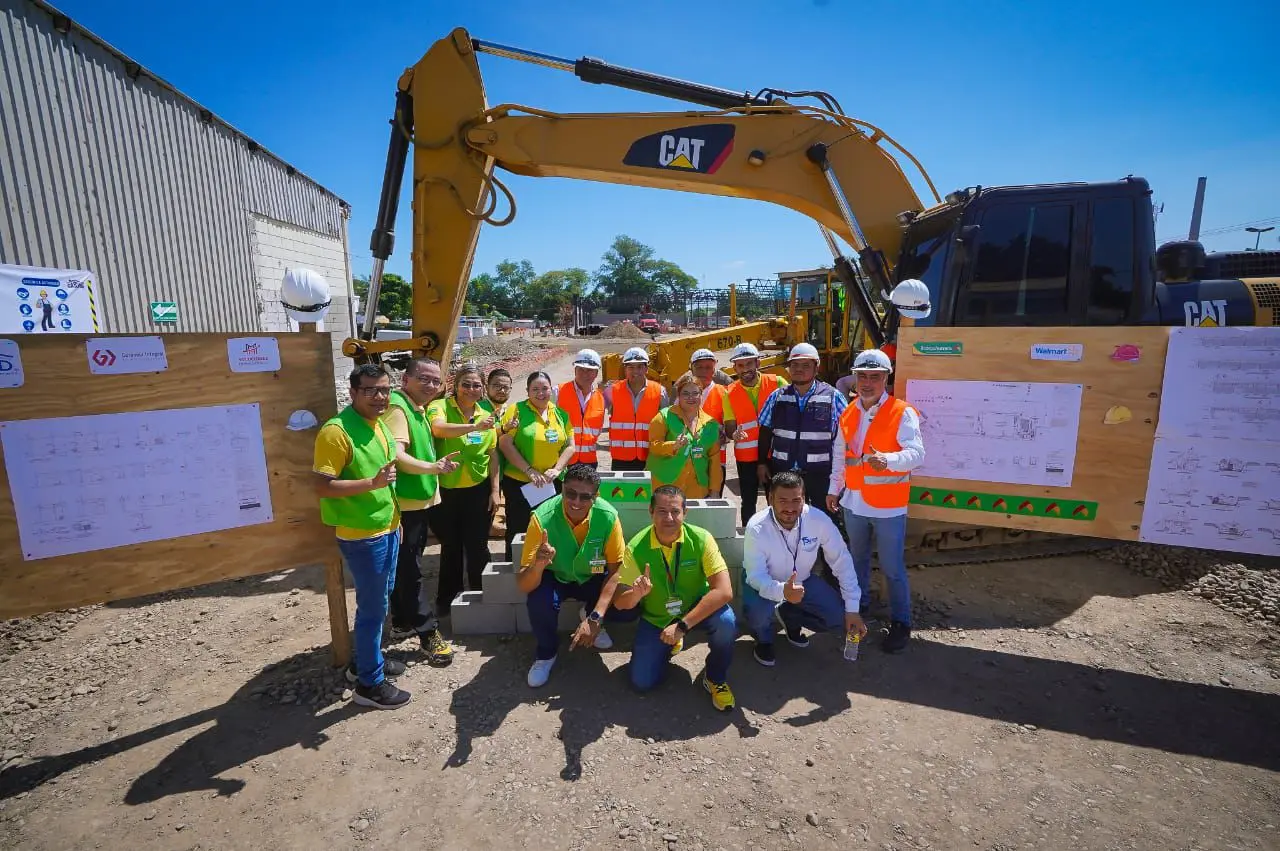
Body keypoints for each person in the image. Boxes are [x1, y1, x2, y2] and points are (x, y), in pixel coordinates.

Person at [312, 364, 410, 710]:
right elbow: (322, 486)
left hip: (387, 527)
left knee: (381, 600)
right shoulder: (336, 432)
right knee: (372, 608)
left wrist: (395, 520)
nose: (380, 397)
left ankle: (366, 662)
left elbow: (386, 479)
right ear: (353, 392)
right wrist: (372, 484)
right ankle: (369, 684)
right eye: (370, 390)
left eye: (384, 389)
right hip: (363, 536)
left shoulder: (378, 424)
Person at [826, 349, 925, 653]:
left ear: (886, 379)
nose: (867, 382)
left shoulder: (901, 412)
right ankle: (859, 608)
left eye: (875, 377)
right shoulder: (849, 412)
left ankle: (901, 622)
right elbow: (841, 457)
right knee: (856, 561)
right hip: (853, 504)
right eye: (863, 376)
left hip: (888, 507)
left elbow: (917, 454)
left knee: (892, 568)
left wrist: (889, 460)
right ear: (855, 378)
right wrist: (834, 489)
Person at [613, 485, 738, 711]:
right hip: (657, 617)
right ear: (651, 512)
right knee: (641, 683)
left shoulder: (701, 539)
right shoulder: (636, 547)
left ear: (685, 513)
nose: (669, 518)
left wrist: (682, 625)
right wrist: (636, 594)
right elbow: (620, 602)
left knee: (726, 622)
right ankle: (665, 648)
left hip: (694, 611)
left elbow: (724, 591)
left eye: (675, 511)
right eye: (661, 511)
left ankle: (715, 678)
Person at [516, 464, 638, 687]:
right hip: (555, 576)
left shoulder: (608, 517)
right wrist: (538, 566)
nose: (576, 502)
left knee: (629, 608)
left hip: (592, 576)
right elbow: (524, 584)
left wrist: (596, 617)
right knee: (539, 601)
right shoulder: (541, 518)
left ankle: (589, 613)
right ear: (562, 489)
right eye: (570, 493)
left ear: (595, 497)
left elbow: (615, 570)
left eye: (585, 497)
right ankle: (546, 654)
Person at [742, 472, 867, 667]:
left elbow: (842, 561)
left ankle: (789, 616)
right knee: (758, 613)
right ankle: (763, 639)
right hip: (765, 582)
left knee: (838, 618)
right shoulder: (757, 527)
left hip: (803, 581)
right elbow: (756, 575)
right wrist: (783, 591)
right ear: (770, 499)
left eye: (796, 500)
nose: (790, 508)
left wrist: (853, 609)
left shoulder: (818, 520)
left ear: (804, 499)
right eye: (783, 500)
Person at [382, 357, 459, 665]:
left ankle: (401, 621)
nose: (431, 385)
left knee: (403, 565)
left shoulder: (417, 408)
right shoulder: (399, 409)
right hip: (406, 504)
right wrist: (433, 467)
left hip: (416, 500)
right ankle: (428, 634)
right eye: (424, 379)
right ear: (406, 380)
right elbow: (397, 454)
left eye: (436, 381)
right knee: (411, 570)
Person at [427, 363, 500, 616]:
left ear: (483, 389)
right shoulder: (440, 406)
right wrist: (473, 427)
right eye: (465, 384)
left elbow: (493, 454)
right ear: (455, 386)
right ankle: (447, 599)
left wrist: (495, 490)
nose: (471, 389)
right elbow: (438, 428)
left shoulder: (485, 413)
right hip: (446, 490)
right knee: (451, 546)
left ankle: (482, 594)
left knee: (478, 545)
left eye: (476, 385)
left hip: (477, 490)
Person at [757, 342, 847, 518]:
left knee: (823, 519)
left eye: (806, 365)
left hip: (820, 474)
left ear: (816, 368)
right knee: (785, 518)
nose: (799, 369)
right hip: (784, 472)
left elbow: (845, 437)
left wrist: (840, 477)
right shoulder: (777, 397)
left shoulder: (833, 397)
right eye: (795, 365)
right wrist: (762, 463)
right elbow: (765, 431)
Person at [703, 342, 788, 526]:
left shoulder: (778, 383)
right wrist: (734, 435)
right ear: (734, 368)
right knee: (748, 501)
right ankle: (749, 537)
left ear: (758, 363)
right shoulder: (729, 393)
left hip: (774, 454)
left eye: (749, 363)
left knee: (778, 500)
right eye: (740, 365)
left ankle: (778, 535)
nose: (745, 369)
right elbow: (729, 426)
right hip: (747, 458)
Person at [497, 371, 576, 561]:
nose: (540, 393)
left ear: (551, 390)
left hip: (550, 484)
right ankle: (517, 567)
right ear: (527, 391)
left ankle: (546, 569)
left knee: (548, 529)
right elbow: (505, 443)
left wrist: (557, 469)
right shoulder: (517, 410)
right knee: (519, 530)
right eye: (535, 389)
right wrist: (529, 470)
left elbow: (570, 446)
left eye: (545, 388)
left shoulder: (560, 414)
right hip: (520, 484)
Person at [646, 373, 723, 499]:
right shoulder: (663, 417)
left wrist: (715, 490)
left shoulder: (710, 424)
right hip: (666, 488)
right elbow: (653, 446)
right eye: (685, 393)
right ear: (679, 396)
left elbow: (714, 460)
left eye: (695, 393)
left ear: (701, 394)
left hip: (697, 490)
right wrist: (673, 446)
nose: (691, 397)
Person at [604, 346, 668, 472]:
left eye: (639, 367)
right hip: (621, 459)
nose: (635, 371)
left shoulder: (660, 392)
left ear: (646, 368)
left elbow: (667, 424)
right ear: (625, 369)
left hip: (650, 457)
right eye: (631, 367)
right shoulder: (612, 391)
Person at [558, 349, 606, 468]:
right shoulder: (558, 392)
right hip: (562, 460)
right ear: (575, 370)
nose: (585, 374)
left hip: (589, 461)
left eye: (589, 370)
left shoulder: (601, 398)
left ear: (596, 373)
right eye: (581, 369)